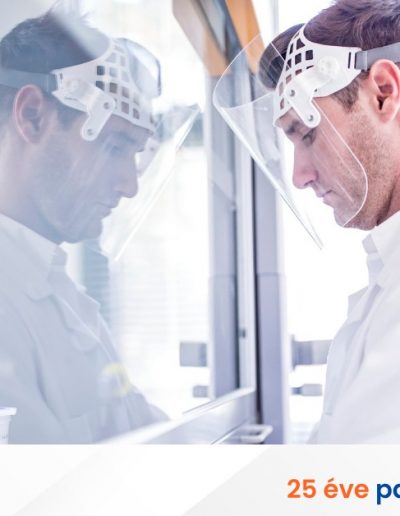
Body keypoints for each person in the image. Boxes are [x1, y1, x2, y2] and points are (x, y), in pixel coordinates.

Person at [215, 0, 400, 443]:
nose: (300, 176)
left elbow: (361, 478)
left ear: (383, 93)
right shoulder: (385, 280)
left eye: (308, 133)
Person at [0, 5, 167, 443]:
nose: (130, 185)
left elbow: (145, 433)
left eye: (136, 155)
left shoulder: (65, 296)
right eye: (114, 146)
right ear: (32, 116)